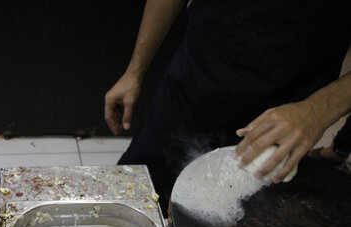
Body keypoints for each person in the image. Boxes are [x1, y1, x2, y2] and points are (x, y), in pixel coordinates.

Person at [105, 0, 351, 210]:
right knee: (128, 205)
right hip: (191, 88)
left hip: (278, 121)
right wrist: (134, 71)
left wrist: (318, 110)